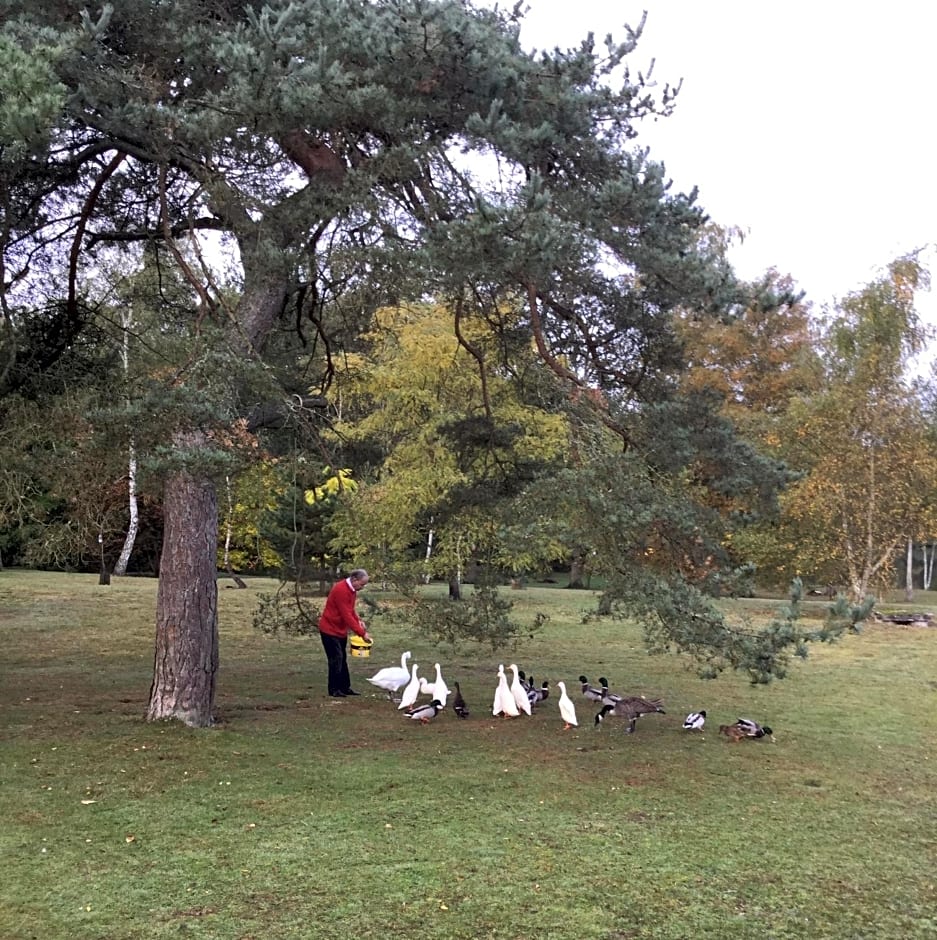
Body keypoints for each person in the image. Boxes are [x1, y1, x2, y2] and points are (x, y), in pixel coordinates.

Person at [318, 568, 372, 697]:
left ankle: (344, 687)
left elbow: (351, 609)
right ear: (354, 579)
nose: (362, 587)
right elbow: (346, 614)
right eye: (362, 584)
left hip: (339, 630)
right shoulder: (341, 590)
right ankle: (334, 689)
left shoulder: (352, 590)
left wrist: (359, 620)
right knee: (336, 659)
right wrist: (362, 633)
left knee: (342, 659)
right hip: (329, 629)